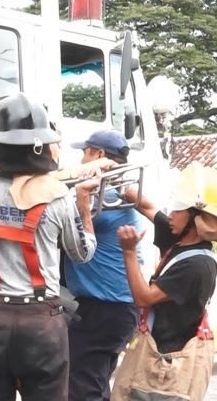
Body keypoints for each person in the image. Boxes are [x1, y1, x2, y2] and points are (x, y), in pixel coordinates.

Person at [0, 93, 101, 401]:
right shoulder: (58, 194)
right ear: (39, 145)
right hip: (41, 325)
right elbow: (83, 253)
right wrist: (85, 208)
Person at [113, 163, 217, 401]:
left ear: (197, 218)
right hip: (155, 356)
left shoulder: (197, 267)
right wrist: (117, 182)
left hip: (166, 367)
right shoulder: (180, 237)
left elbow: (144, 298)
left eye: (178, 209)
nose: (171, 214)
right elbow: (148, 207)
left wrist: (129, 252)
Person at [64, 129, 143, 401]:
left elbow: (61, 220)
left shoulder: (103, 197)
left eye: (85, 152)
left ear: (98, 155)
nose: (81, 159)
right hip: (116, 307)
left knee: (82, 385)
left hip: (106, 308)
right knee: (94, 381)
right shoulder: (117, 192)